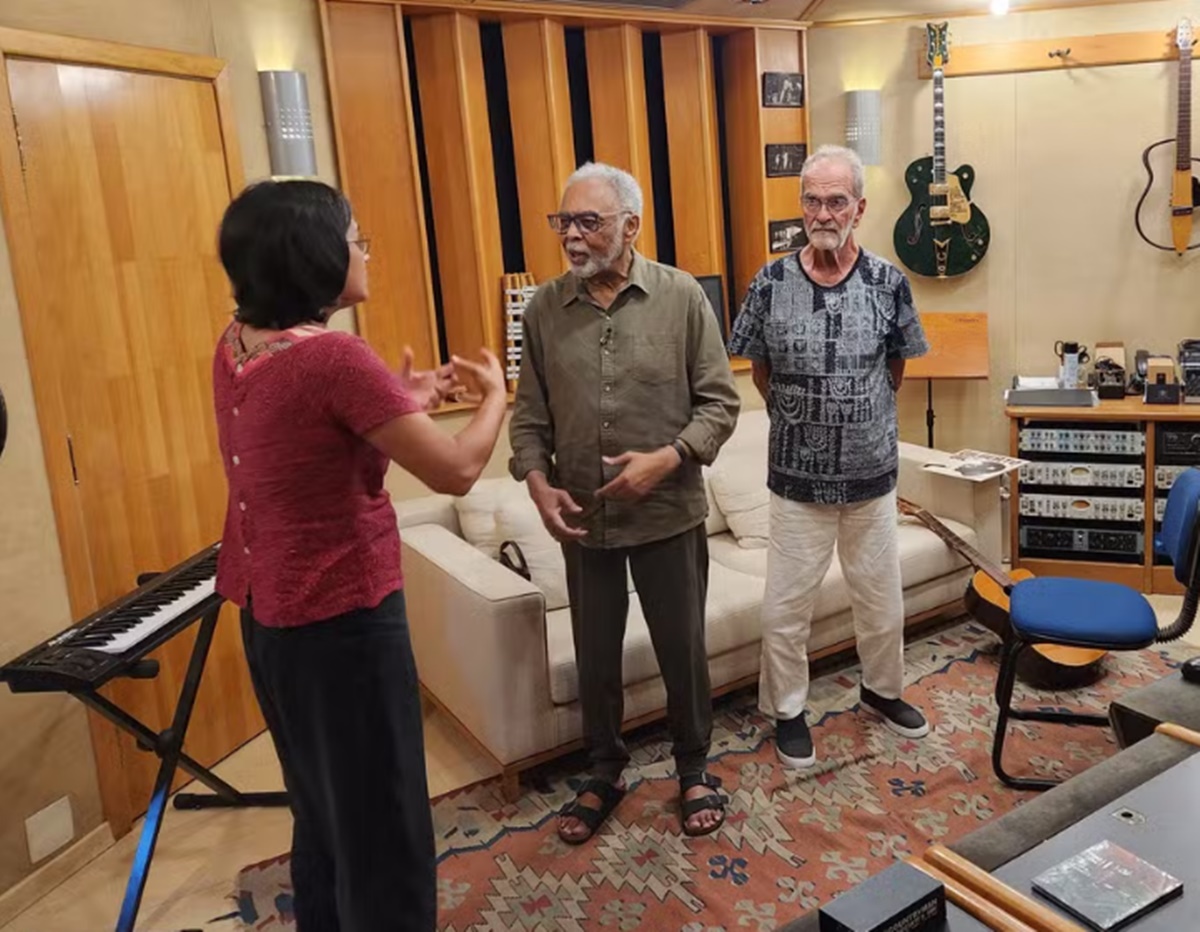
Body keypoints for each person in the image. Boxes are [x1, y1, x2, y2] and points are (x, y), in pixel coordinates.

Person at [212, 179, 506, 931]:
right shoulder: (335, 360)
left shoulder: (237, 344)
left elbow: (312, 450)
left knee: (321, 810)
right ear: (313, 255)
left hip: (271, 619)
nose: (364, 249)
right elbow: (457, 471)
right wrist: (498, 397)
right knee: (385, 823)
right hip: (343, 619)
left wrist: (393, 404)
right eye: (355, 237)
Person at [509, 162, 740, 842]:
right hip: (584, 521)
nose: (572, 238)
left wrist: (668, 459)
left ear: (630, 226)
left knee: (682, 651)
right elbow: (529, 420)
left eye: (589, 222)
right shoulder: (545, 309)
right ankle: (603, 770)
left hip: (669, 513)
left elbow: (720, 403)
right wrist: (536, 479)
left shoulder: (682, 298)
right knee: (596, 656)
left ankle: (694, 766)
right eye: (564, 223)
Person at [727, 145, 931, 770]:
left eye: (835, 200)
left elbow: (895, 365)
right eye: (812, 200)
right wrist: (803, 409)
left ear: (859, 207)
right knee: (787, 607)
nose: (822, 212)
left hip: (871, 478)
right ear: (801, 207)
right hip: (796, 481)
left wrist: (856, 411)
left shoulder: (889, 281)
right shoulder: (769, 282)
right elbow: (758, 368)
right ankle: (788, 710)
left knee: (880, 598)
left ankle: (882, 690)